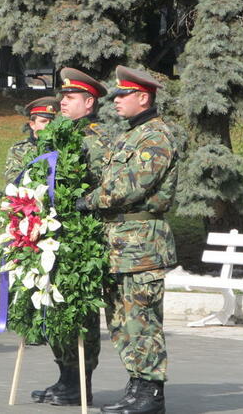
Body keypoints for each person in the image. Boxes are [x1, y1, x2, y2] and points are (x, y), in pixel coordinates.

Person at [76, 66, 178, 414]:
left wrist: (87, 201)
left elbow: (127, 188)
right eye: (116, 95)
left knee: (142, 319)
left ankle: (151, 393)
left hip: (142, 244)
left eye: (123, 95)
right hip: (119, 244)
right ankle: (137, 385)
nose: (116, 100)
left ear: (143, 97)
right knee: (120, 321)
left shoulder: (155, 136)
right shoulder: (130, 135)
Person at [31, 68, 111, 407]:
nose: (62, 101)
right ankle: (65, 376)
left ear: (89, 102)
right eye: (62, 96)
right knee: (54, 306)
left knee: (79, 312)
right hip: (52, 233)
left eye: (71, 97)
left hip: (82, 236)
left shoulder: (98, 137)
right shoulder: (55, 133)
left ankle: (82, 380)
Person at [3, 96, 59, 183]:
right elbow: (13, 179)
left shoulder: (61, 146)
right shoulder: (18, 150)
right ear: (32, 124)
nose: (49, 125)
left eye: (51, 122)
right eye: (43, 121)